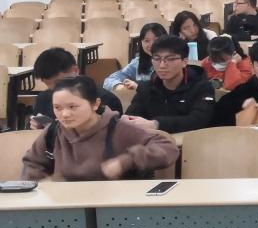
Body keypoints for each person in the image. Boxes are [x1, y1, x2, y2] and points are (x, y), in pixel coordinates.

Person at [21, 76, 178, 181]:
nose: (64, 114)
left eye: (72, 107)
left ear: (95, 104)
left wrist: (128, 160)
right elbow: (33, 163)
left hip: (113, 209)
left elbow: (167, 148)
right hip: (67, 207)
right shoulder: (53, 132)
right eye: (57, 108)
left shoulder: (118, 129)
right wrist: (39, 184)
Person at [123, 35, 216, 133]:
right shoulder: (147, 87)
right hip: (153, 140)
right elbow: (130, 116)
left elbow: (199, 120)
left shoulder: (202, 86)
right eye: (157, 59)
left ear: (184, 62)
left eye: (170, 59)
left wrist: (156, 124)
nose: (162, 65)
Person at [31, 47, 122, 129]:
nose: (55, 89)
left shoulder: (106, 98)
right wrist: (34, 125)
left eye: (58, 83)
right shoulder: (43, 98)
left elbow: (111, 133)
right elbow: (34, 123)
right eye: (48, 84)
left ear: (75, 71)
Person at [103, 22, 167, 90]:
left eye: (156, 40)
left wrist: (138, 87)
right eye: (147, 41)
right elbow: (110, 80)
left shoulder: (171, 62)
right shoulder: (138, 62)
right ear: (141, 43)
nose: (152, 45)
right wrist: (120, 87)